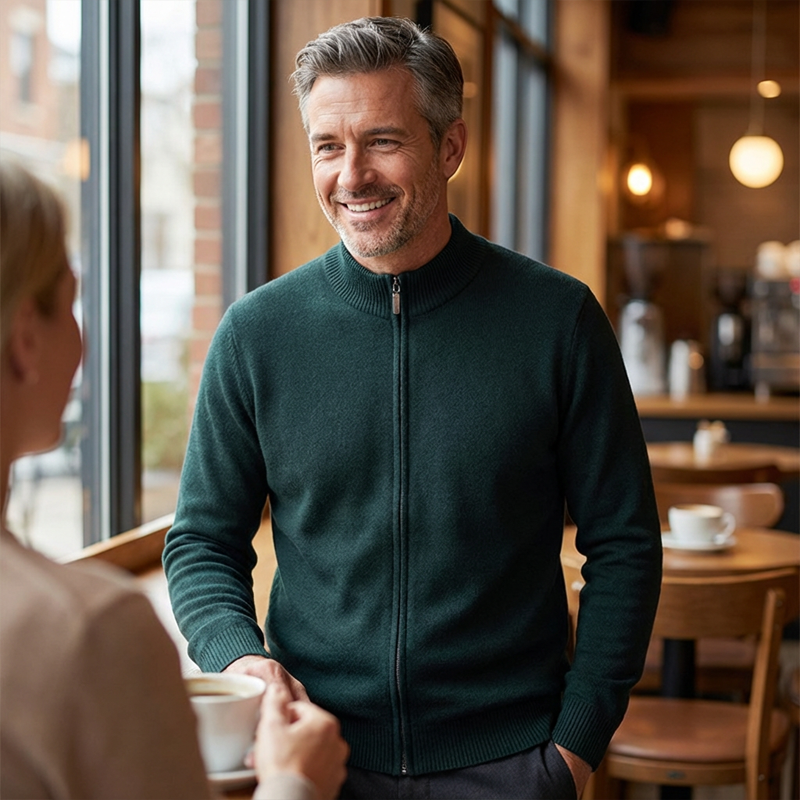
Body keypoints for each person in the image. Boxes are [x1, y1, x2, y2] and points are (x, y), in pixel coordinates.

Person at [163, 15, 662, 799]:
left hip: (514, 762)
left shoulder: (558, 320)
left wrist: (573, 747)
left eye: (383, 141)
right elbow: (199, 542)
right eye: (328, 146)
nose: (351, 175)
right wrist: (238, 657)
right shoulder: (256, 334)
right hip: (318, 763)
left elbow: (625, 544)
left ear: (451, 146)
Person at [0, 159, 349, 800]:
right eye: (71, 300)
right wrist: (295, 782)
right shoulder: (93, 634)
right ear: (26, 337)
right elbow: (202, 541)